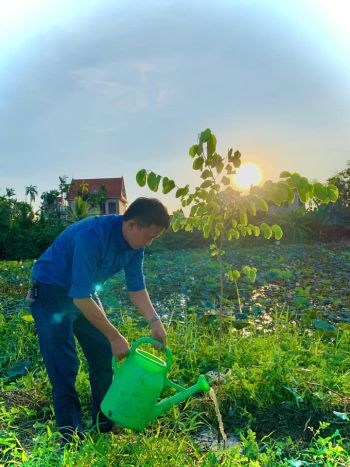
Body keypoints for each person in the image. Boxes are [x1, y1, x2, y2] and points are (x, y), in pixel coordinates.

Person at [28, 197, 169, 442]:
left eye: (153, 239)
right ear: (132, 225)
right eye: (149, 237)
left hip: (83, 290)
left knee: (103, 353)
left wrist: (155, 321)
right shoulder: (91, 236)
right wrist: (115, 336)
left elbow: (136, 287)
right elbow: (79, 298)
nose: (149, 243)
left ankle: (104, 423)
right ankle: (70, 435)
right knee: (64, 364)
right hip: (51, 289)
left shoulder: (135, 245)